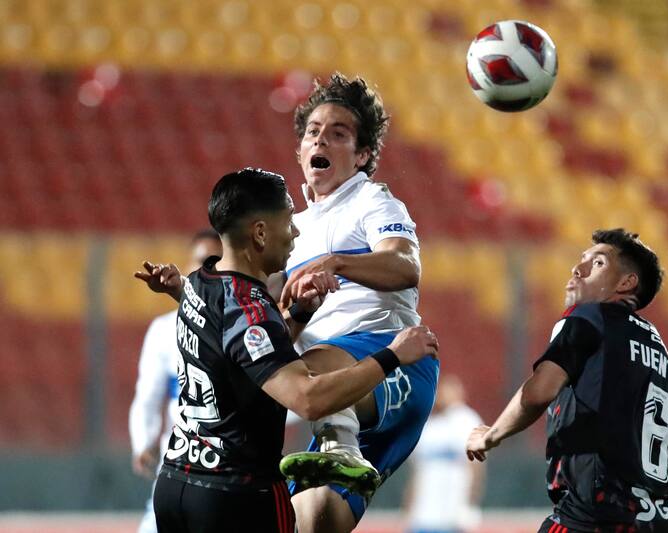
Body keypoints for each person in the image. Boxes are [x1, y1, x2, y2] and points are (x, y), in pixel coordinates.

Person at [134, 168, 438, 533]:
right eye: (287, 220)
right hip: (235, 493)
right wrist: (392, 356)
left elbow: (248, 352)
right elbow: (307, 399)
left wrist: (300, 314)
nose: (295, 231)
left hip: (175, 483)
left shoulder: (201, 284)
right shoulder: (250, 308)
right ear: (260, 232)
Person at [273, 72, 439, 533]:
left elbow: (405, 266)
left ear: (363, 155)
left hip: (393, 361)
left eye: (339, 133)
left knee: (300, 372)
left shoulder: (373, 201)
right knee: (316, 521)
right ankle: (338, 440)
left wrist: (338, 262)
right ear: (301, 151)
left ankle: (339, 438)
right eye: (313, 131)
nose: (321, 138)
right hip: (339, 401)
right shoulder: (293, 229)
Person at [466, 229, 668, 533]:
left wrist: (491, 435)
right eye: (581, 260)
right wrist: (644, 503)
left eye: (597, 263)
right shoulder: (665, 363)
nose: (577, 268)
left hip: (591, 520)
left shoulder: (590, 317)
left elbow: (539, 392)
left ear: (626, 283)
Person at [128, 229, 222, 533]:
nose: (209, 270)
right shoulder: (163, 331)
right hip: (177, 461)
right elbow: (148, 397)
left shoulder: (248, 326)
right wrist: (144, 442)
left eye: (217, 262)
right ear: (188, 266)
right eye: (202, 262)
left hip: (235, 467)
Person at [404, 374, 485, 533]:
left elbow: (476, 466)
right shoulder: (428, 427)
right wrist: (408, 508)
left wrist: (470, 503)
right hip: (423, 513)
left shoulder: (466, 419)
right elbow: (417, 473)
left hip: (452, 513)